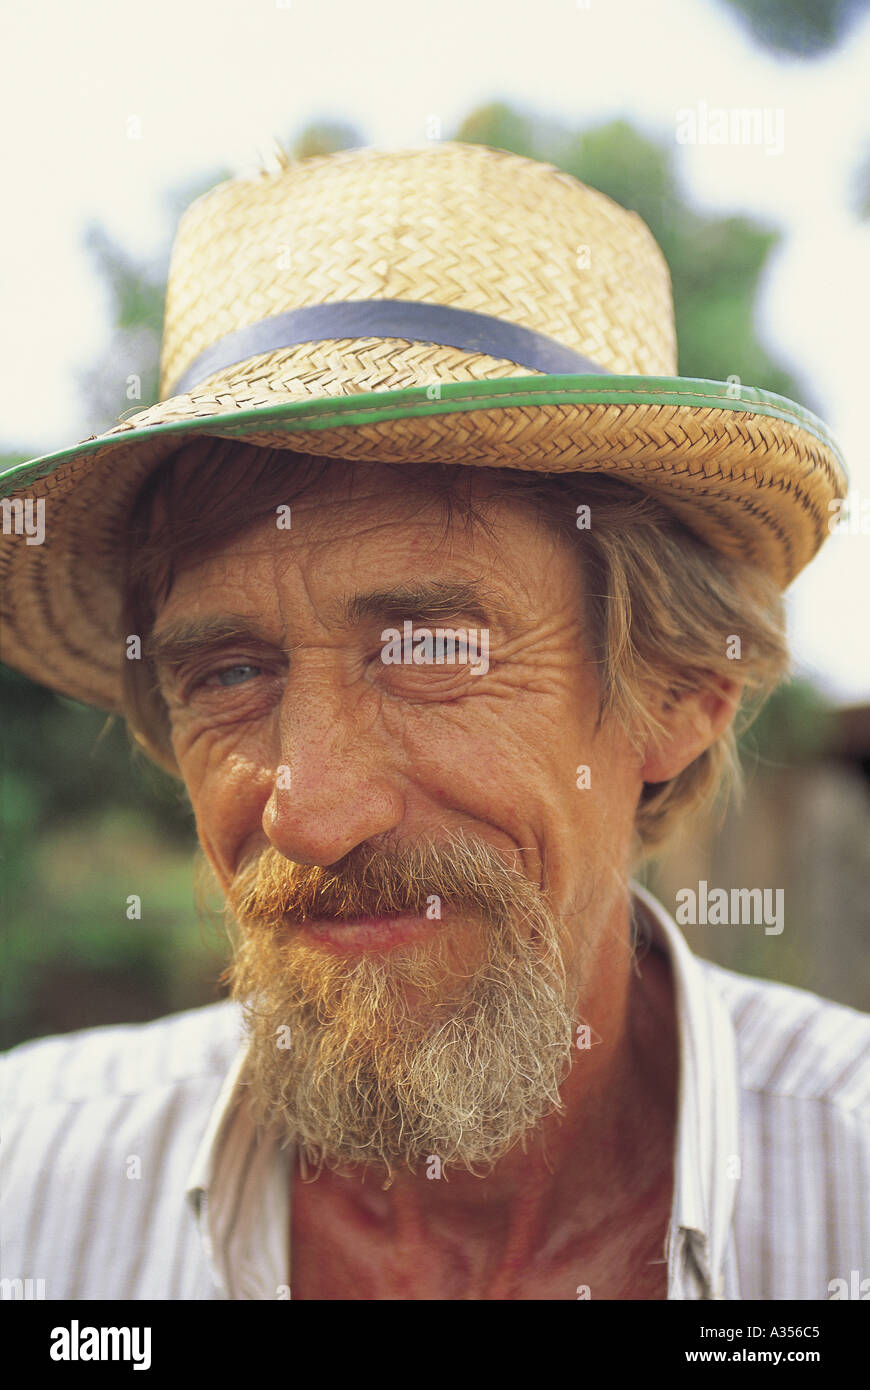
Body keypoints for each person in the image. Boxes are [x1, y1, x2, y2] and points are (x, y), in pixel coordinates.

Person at [1, 140, 867, 1302]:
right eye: (231, 672)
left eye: (431, 651)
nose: (311, 813)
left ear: (679, 700)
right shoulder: (30, 1181)